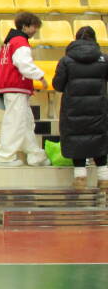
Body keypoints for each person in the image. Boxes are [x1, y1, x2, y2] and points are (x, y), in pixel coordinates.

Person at [52, 25, 108, 190]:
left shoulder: (66, 60)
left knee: (77, 138)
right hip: (98, 108)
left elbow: (58, 85)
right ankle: (104, 179)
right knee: (98, 138)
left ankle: (80, 178)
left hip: (73, 109)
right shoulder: (104, 59)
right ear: (94, 40)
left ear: (76, 39)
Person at [0, 12, 52, 167]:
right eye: (34, 27)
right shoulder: (20, 42)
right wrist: (40, 77)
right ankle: (4, 156)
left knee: (25, 122)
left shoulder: (9, 42)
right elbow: (24, 64)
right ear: (25, 26)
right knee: (15, 122)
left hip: (9, 86)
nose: (35, 30)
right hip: (16, 87)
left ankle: (35, 155)